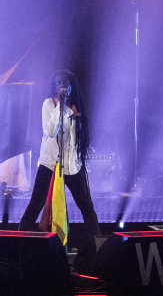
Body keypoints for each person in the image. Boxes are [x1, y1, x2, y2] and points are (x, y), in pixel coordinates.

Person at [19, 70, 100, 256]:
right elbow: (50, 131)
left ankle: (97, 248)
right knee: (35, 204)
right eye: (58, 83)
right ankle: (20, 244)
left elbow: (78, 137)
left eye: (66, 82)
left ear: (72, 85)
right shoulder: (48, 104)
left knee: (86, 206)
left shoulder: (77, 106)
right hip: (50, 164)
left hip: (72, 164)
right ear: (54, 86)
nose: (62, 85)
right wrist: (61, 107)